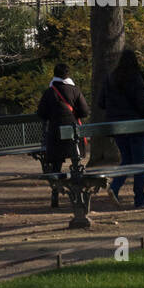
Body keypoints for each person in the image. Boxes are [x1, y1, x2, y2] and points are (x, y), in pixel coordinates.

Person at [97, 47, 144, 208]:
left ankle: (115, 187)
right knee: (138, 163)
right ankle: (139, 198)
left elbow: (101, 103)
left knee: (127, 159)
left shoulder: (110, 78)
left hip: (117, 126)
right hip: (135, 125)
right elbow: (142, 104)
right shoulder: (135, 77)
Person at [37, 63, 89, 208]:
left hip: (55, 134)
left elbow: (41, 113)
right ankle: (78, 195)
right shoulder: (75, 90)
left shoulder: (49, 92)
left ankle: (55, 193)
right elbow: (85, 112)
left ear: (54, 75)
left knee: (56, 165)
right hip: (73, 135)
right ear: (68, 74)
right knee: (76, 162)